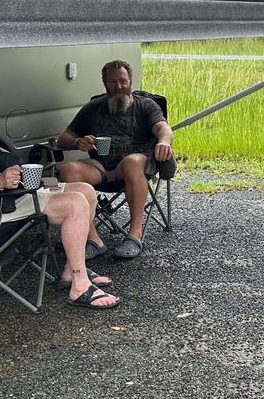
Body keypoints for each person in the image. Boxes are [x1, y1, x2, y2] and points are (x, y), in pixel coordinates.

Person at [0, 86, 120, 310]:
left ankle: (71, 270)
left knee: (86, 190)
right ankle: (80, 286)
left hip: (10, 198)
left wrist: (32, 179)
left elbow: (7, 160)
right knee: (74, 204)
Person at [55, 60, 175, 260]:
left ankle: (135, 236)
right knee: (68, 170)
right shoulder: (93, 107)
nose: (119, 86)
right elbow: (62, 139)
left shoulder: (146, 106)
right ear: (105, 84)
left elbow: (163, 127)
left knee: (132, 162)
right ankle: (93, 239)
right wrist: (77, 142)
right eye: (113, 82)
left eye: (123, 81)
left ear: (130, 81)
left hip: (133, 167)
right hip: (101, 166)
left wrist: (164, 141)